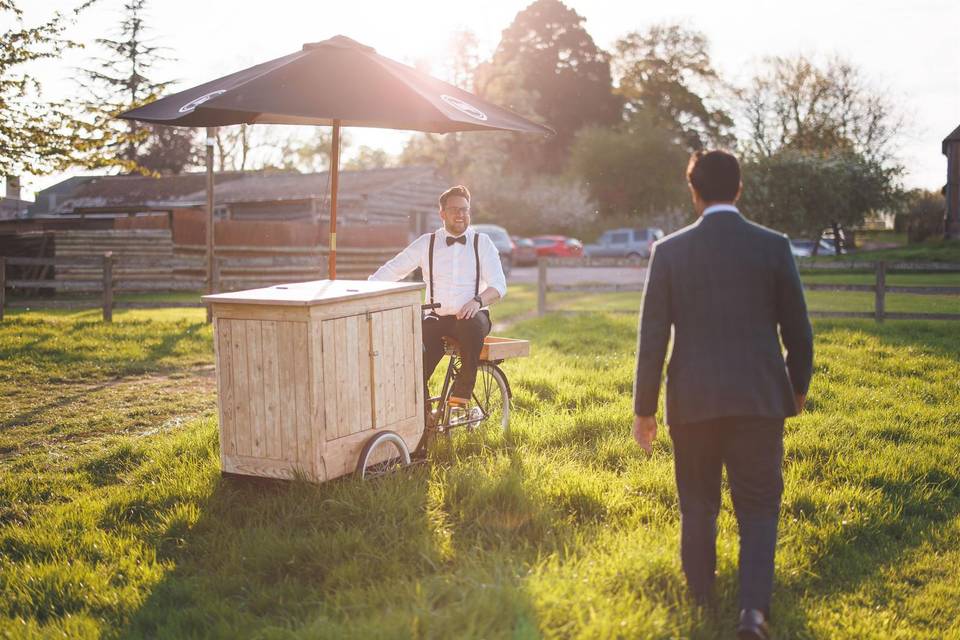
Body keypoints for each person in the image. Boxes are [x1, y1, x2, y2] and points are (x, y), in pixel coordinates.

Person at [632, 150, 813, 640]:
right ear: (739, 188)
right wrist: (796, 389)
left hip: (691, 403)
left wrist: (644, 410)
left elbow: (653, 339)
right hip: (758, 400)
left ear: (694, 192)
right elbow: (800, 332)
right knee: (757, 507)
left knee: (698, 504)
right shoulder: (773, 247)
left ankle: (701, 602)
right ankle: (753, 615)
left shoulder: (669, 251)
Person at [369, 185, 506, 418]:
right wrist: (367, 287)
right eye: (454, 210)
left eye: (464, 209)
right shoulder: (427, 243)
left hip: (473, 316)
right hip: (436, 318)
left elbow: (499, 286)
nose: (460, 214)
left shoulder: (482, 243)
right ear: (442, 213)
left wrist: (477, 301)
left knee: (469, 325)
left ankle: (463, 389)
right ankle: (422, 418)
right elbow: (394, 269)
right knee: (414, 363)